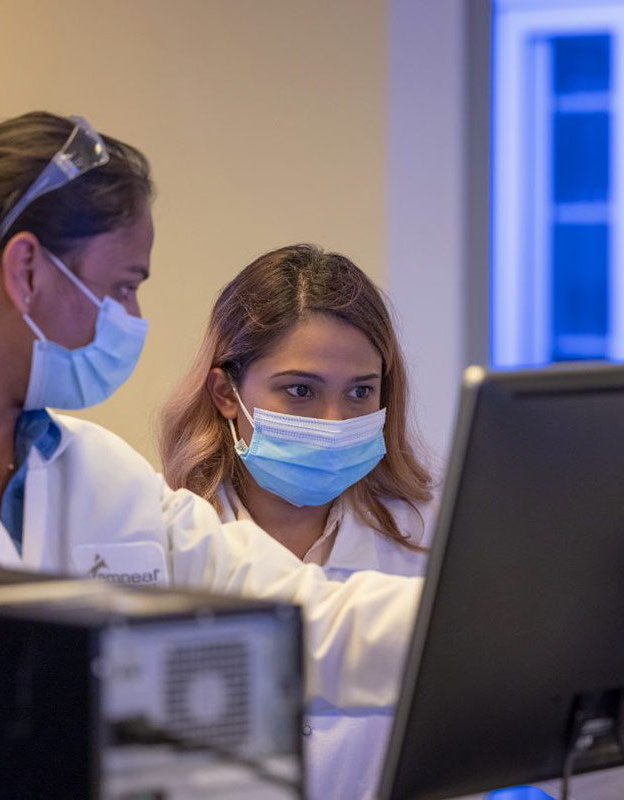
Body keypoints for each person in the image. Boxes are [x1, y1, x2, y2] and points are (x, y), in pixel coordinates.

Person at [0, 110, 423, 712]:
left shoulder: (102, 475)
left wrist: (488, 616)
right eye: (124, 286)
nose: (133, 318)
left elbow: (299, 614)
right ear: (26, 271)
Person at [158, 243, 437, 800]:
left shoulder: (431, 537)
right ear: (226, 393)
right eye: (301, 391)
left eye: (360, 391)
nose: (334, 421)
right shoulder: (164, 542)